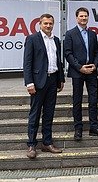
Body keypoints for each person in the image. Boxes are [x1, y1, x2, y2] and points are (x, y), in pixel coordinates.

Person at [23, 13, 65, 159]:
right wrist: (29, 82)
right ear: (40, 24)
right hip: (38, 82)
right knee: (34, 114)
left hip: (52, 81)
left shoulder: (56, 40)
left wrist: (61, 79)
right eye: (45, 23)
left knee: (49, 114)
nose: (48, 26)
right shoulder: (32, 39)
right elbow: (27, 63)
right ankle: (31, 144)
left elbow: (58, 61)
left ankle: (47, 143)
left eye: (50, 23)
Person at [64, 7, 98, 141]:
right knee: (77, 101)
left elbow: (96, 52)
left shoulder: (92, 34)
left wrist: (95, 65)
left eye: (85, 16)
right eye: (81, 16)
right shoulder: (70, 34)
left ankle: (94, 127)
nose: (83, 18)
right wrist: (79, 67)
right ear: (77, 18)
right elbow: (68, 54)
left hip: (92, 72)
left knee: (93, 100)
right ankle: (78, 128)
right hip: (78, 72)